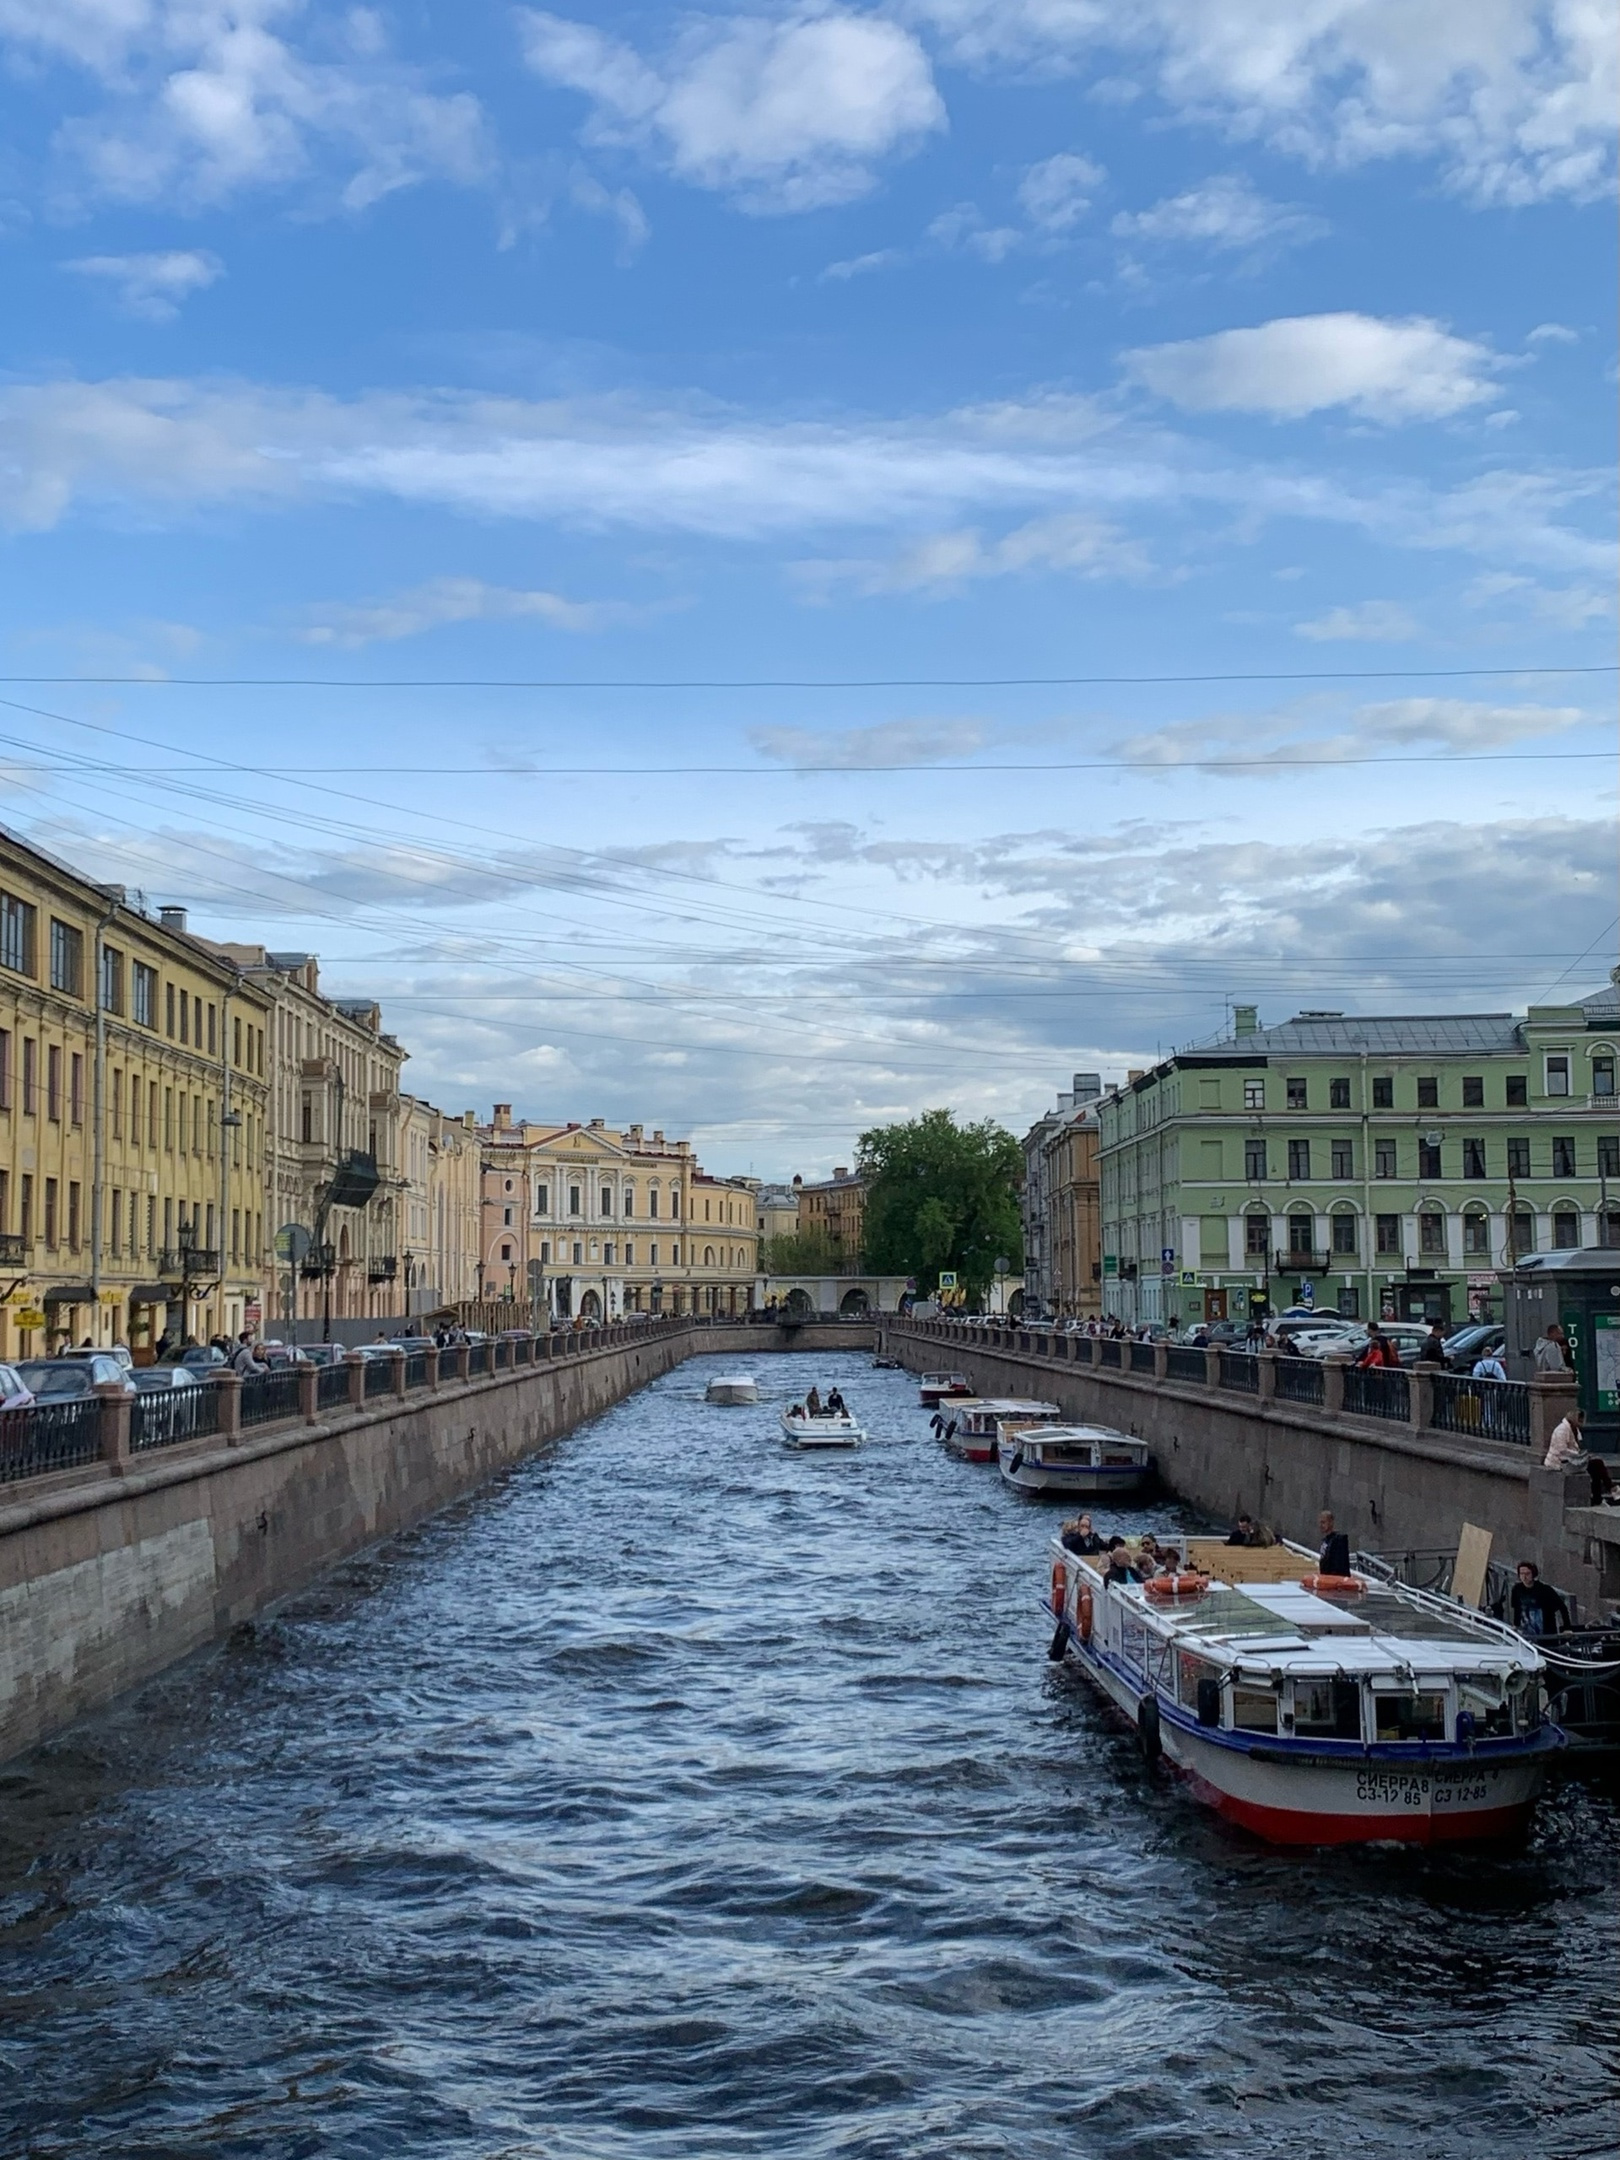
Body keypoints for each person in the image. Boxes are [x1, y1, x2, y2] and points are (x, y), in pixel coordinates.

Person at [1509, 1560, 1570, 1638]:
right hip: (1526, 1631)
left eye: (1527, 1574)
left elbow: (1562, 1607)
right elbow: (1517, 1609)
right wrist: (1516, 1625)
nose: (1524, 1577)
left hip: (1547, 1632)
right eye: (1521, 1574)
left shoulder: (1545, 1589)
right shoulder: (1516, 1589)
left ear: (1533, 1574)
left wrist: (1567, 1628)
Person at [1544, 1406, 1586, 1470]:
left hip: (1572, 1459)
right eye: (1579, 1419)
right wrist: (1578, 1454)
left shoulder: (1575, 1429)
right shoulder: (1561, 1430)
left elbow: (1577, 1445)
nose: (1581, 1421)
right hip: (1558, 1462)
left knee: (1596, 1462)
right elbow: (1562, 1450)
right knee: (1595, 1464)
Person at [1317, 1510, 1351, 1577]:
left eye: (1323, 1522)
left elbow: (1340, 1564)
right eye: (1320, 1523)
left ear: (1331, 1522)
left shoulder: (1338, 1540)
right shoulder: (1325, 1541)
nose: (1321, 1525)